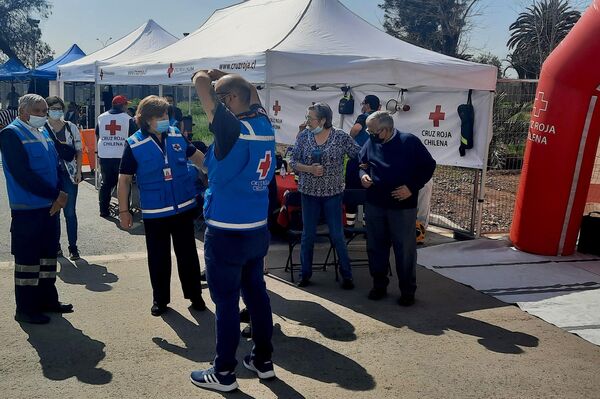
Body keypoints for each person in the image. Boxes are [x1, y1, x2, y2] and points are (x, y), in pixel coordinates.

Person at [189, 70, 275, 393]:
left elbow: (201, 86)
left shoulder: (231, 127)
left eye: (222, 98)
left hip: (227, 230)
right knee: (256, 293)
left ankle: (223, 372)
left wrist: (205, 76)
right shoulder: (263, 124)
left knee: (225, 302)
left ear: (228, 100)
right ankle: (263, 361)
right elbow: (247, 90)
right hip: (256, 228)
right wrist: (226, 78)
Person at [117, 95, 205, 316]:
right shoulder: (134, 144)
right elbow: (124, 179)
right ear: (146, 119)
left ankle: (195, 295)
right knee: (158, 257)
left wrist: (217, 172)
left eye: (166, 114)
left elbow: (197, 158)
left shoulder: (176, 135)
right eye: (160, 115)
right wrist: (124, 211)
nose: (166, 118)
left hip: (183, 207)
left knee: (188, 256)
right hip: (155, 211)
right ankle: (161, 300)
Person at [0, 94, 72, 324]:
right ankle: (26, 308)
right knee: (28, 261)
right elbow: (22, 174)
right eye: (39, 111)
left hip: (50, 207)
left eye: (45, 111)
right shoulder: (11, 134)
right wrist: (55, 195)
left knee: (48, 257)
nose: (44, 115)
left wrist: (59, 193)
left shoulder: (43, 131)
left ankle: (48, 300)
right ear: (23, 112)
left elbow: (57, 163)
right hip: (28, 209)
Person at [359, 111, 436, 306]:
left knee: (405, 250)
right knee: (375, 247)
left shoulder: (409, 142)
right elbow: (363, 163)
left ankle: (407, 290)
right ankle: (379, 285)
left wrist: (411, 187)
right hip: (375, 203)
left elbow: (428, 166)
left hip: (402, 207)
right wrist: (363, 175)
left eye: (373, 131)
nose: (370, 134)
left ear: (386, 130)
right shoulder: (372, 142)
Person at [290, 102, 360, 289]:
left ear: (323, 120)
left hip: (333, 194)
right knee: (308, 236)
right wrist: (309, 169)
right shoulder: (304, 136)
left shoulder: (340, 136)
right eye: (307, 118)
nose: (307, 122)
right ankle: (304, 274)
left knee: (337, 235)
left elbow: (359, 154)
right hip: (309, 193)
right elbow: (293, 160)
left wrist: (363, 172)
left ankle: (347, 275)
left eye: (310, 118)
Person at [45, 96, 83, 260]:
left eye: (59, 108)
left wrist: (79, 172)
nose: (57, 111)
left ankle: (73, 246)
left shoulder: (71, 127)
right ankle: (56, 245)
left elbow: (79, 150)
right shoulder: (42, 128)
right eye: (53, 108)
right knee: (53, 211)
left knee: (70, 212)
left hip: (69, 174)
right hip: (50, 176)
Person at [95, 95, 137, 217]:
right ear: (123, 105)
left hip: (104, 155)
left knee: (106, 183)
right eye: (126, 104)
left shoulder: (101, 117)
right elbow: (134, 137)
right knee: (123, 183)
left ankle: (103, 210)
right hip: (122, 156)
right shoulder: (128, 118)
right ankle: (125, 210)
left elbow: (98, 134)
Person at [345, 95, 380, 226]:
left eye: (363, 104)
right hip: (373, 161)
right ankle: (367, 226)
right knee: (369, 192)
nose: (362, 106)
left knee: (351, 191)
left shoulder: (364, 117)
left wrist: (350, 139)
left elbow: (356, 129)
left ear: (367, 105)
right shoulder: (381, 119)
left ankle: (349, 225)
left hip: (357, 159)